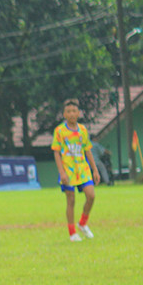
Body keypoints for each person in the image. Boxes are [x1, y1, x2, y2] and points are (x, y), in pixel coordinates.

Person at [52, 99, 100, 241]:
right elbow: (56, 152)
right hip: (68, 170)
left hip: (82, 169)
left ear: (78, 113)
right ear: (64, 114)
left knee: (91, 195)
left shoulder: (83, 130)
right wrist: (62, 172)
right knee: (71, 200)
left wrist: (95, 170)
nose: (72, 114)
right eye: (69, 111)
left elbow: (88, 150)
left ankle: (83, 223)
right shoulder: (60, 131)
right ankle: (72, 232)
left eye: (74, 111)